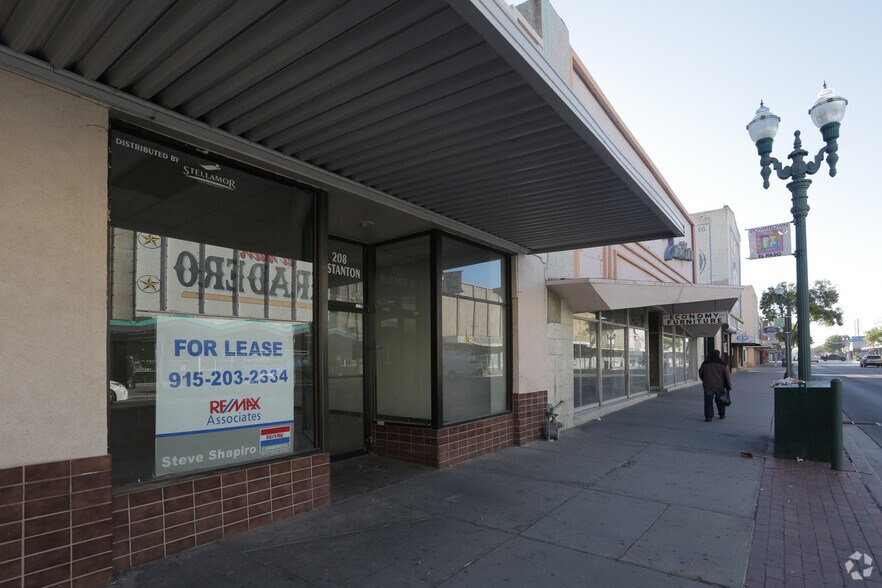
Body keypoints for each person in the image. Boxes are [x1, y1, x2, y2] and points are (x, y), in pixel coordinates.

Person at [698, 349, 732, 422]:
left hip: (708, 385)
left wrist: (705, 380)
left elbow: (700, 372)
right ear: (718, 355)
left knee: (708, 401)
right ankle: (722, 414)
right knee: (720, 400)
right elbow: (727, 376)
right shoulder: (723, 364)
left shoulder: (705, 363)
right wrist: (729, 387)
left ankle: (708, 417)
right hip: (720, 386)